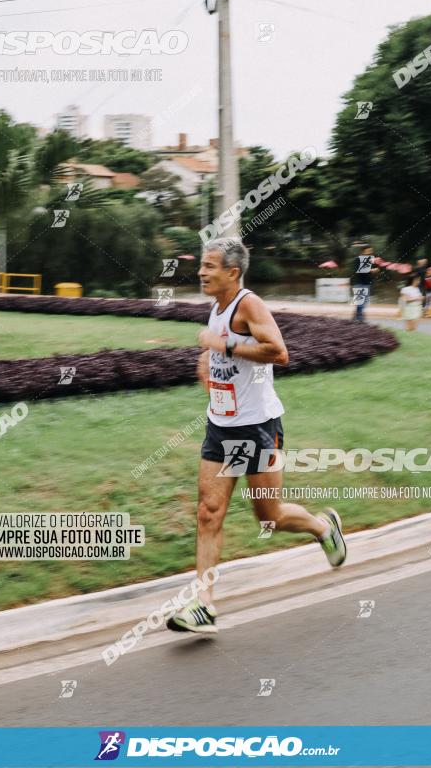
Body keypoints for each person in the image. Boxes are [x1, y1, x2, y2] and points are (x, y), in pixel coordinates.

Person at [166, 238, 347, 634]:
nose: (201, 272)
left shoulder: (249, 303)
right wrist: (208, 363)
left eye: (209, 266)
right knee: (208, 512)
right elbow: (220, 354)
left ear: (232, 272)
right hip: (221, 427)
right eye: (201, 265)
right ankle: (204, 605)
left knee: (270, 516)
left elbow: (278, 351)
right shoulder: (216, 308)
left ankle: (323, 528)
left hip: (259, 427)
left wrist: (223, 345)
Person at [351, 244, 379, 322]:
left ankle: (356, 317)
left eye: (371, 250)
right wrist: (371, 270)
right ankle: (359, 319)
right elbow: (358, 271)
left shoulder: (370, 259)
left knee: (363, 302)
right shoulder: (358, 259)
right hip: (359, 283)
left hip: (367, 283)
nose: (371, 252)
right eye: (369, 250)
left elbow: (372, 270)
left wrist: (375, 270)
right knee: (360, 302)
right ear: (364, 250)